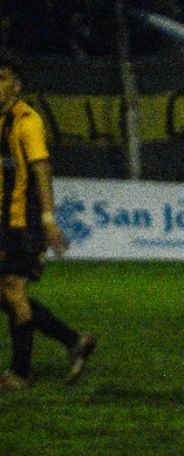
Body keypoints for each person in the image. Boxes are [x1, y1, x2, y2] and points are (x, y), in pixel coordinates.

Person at [0, 53, 96, 391]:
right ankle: (74, 340)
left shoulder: (27, 121)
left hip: (22, 223)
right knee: (7, 295)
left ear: (16, 85)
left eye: (2, 79)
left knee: (12, 290)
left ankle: (20, 374)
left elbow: (42, 170)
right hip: (3, 222)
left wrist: (48, 219)